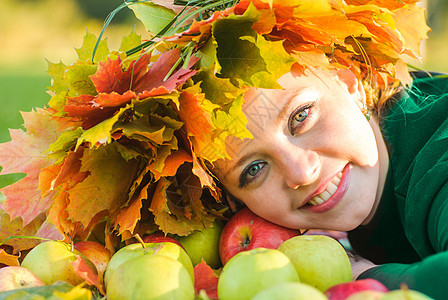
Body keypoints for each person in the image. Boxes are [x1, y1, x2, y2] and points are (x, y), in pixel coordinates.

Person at [0, 0, 445, 299]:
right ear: (228, 198)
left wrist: (366, 277)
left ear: (351, 79)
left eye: (301, 116)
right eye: (252, 170)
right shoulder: (255, 228)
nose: (301, 171)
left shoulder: (436, 151)